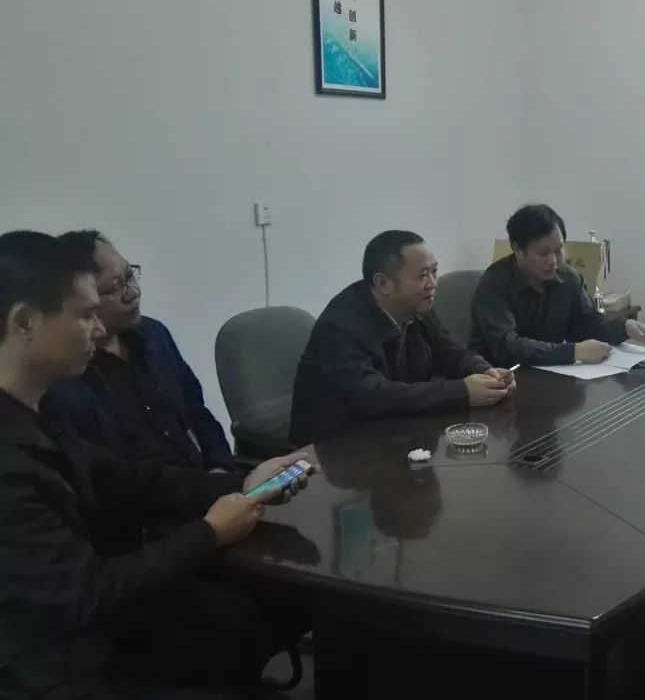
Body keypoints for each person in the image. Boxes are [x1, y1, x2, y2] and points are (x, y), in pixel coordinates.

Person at [0, 230, 309, 699]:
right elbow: (84, 594)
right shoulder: (10, 459)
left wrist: (244, 480)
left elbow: (126, 478)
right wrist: (209, 532)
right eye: (84, 315)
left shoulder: (36, 409)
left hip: (95, 632)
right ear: (24, 322)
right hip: (59, 670)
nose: (98, 330)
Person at [291, 231, 514, 446]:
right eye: (422, 276)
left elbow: (450, 351)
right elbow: (373, 395)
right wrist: (462, 392)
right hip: (336, 446)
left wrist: (485, 371)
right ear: (383, 283)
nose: (433, 283)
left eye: (434, 271)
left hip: (394, 429)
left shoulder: (418, 306)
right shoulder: (340, 326)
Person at [42, 230, 236, 471]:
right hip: (145, 492)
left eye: (130, 275)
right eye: (115, 287)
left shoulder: (154, 334)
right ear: (82, 298)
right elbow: (103, 475)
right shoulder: (64, 375)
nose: (133, 292)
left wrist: (221, 468)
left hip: (206, 482)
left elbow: (196, 411)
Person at [469, 204, 645, 367]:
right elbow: (508, 348)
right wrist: (574, 351)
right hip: (497, 381)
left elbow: (588, 326)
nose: (553, 261)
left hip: (548, 374)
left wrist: (625, 326)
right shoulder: (494, 283)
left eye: (558, 250)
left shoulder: (569, 278)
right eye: (543, 253)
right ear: (518, 249)